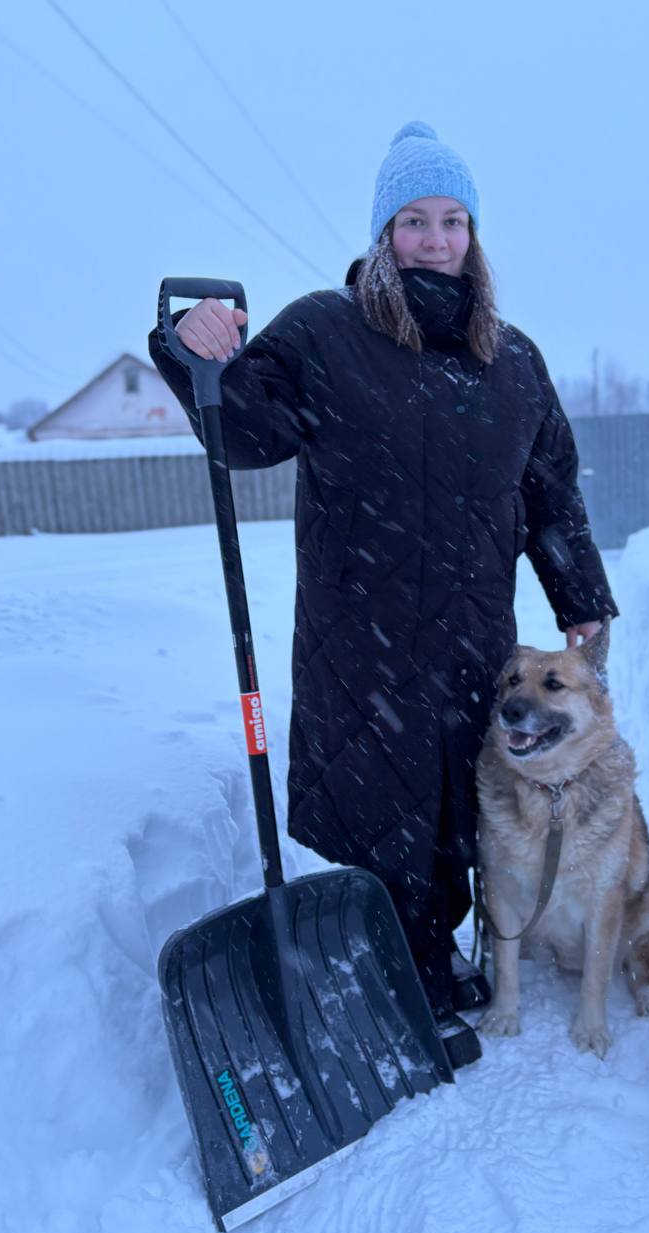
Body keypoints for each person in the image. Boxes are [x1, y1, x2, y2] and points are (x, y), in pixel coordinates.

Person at [149, 121, 617, 1070]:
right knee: (374, 802)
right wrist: (193, 351)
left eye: (452, 220)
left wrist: (580, 593)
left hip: (470, 635)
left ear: (474, 236)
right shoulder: (328, 330)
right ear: (383, 233)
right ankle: (378, 970)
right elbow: (244, 427)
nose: (436, 239)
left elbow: (550, 488)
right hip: (356, 633)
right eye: (414, 220)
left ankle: (433, 964)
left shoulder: (513, 362)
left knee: (459, 803)